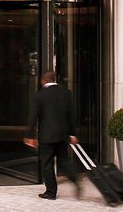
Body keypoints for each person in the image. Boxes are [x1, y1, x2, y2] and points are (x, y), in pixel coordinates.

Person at [24, 69, 80, 201]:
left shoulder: (39, 95)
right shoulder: (66, 93)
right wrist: (72, 134)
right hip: (62, 135)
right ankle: (75, 180)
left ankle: (51, 192)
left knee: (47, 163)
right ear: (54, 79)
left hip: (47, 136)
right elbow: (70, 115)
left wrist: (29, 135)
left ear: (43, 80)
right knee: (63, 161)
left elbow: (33, 117)